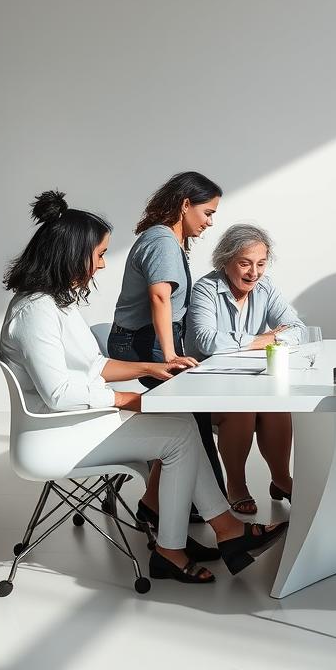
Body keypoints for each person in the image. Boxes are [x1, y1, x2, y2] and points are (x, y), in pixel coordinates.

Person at [0, 191, 285, 584]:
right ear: (70, 254)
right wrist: (129, 399)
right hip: (54, 434)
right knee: (181, 434)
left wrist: (155, 365)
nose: (101, 265)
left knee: (181, 424)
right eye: (98, 254)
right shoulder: (35, 312)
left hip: (73, 420)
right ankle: (188, 543)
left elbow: (95, 365)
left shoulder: (53, 305)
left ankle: (218, 532)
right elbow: (59, 392)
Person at [107, 171, 226, 514]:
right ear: (185, 204)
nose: (210, 222)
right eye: (208, 213)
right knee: (193, 415)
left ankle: (161, 504)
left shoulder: (165, 239)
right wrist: (171, 355)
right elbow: (160, 298)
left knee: (190, 416)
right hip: (144, 343)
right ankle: (199, 507)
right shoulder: (161, 240)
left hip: (145, 339)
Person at [186, 223, 305, 514]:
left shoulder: (265, 287)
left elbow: (298, 329)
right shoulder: (206, 289)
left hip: (247, 379)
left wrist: (265, 339)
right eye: (245, 263)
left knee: (276, 404)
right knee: (242, 407)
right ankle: (236, 485)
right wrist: (260, 340)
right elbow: (206, 341)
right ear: (225, 261)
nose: (254, 273)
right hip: (204, 386)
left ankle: (280, 479)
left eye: (261, 264)